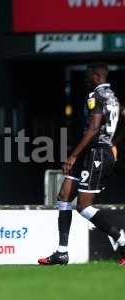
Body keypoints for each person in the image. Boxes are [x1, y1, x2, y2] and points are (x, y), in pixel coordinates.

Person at [38, 62, 125, 266]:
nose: (85, 80)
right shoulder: (113, 97)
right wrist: (115, 142)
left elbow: (94, 128)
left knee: (83, 206)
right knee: (64, 196)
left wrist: (73, 155)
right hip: (92, 151)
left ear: (96, 76)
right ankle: (62, 252)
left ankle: (121, 239)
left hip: (96, 154)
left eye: (87, 76)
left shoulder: (96, 96)